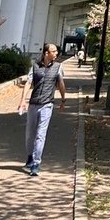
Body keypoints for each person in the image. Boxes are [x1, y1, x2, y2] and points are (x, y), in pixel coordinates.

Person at [17, 43, 66, 177]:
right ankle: (29, 157)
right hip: (33, 104)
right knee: (29, 135)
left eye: (56, 51)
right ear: (46, 53)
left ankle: (36, 164)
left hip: (47, 105)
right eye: (54, 51)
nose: (56, 53)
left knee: (40, 135)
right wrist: (22, 101)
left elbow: (61, 84)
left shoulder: (58, 67)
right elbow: (28, 83)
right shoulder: (35, 66)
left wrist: (63, 99)